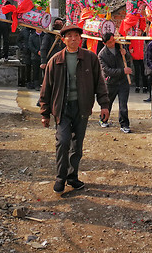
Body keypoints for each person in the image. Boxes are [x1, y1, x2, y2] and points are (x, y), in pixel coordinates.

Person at [39, 24, 110, 193]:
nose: (73, 39)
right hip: (62, 108)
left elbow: (99, 83)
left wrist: (104, 105)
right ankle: (60, 177)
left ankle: (72, 176)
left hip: (82, 107)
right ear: (63, 40)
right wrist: (45, 112)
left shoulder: (90, 58)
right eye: (69, 36)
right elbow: (46, 88)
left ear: (81, 39)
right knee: (63, 142)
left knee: (77, 145)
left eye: (76, 36)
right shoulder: (55, 60)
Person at [98, 32, 133, 133]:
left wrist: (126, 54)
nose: (113, 43)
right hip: (111, 83)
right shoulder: (102, 55)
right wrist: (122, 71)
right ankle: (103, 119)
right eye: (110, 42)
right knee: (108, 103)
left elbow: (128, 60)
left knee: (123, 105)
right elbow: (107, 71)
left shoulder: (120, 47)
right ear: (105, 43)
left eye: (113, 40)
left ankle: (124, 124)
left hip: (123, 81)